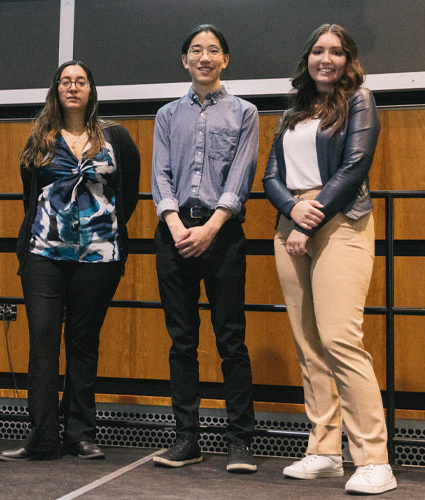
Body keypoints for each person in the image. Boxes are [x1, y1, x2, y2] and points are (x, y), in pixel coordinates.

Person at [263, 24, 397, 494]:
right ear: (308, 58)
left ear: (348, 59)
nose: (326, 59)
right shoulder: (294, 110)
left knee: (340, 338)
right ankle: (322, 450)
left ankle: (374, 460)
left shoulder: (360, 99)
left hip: (340, 220)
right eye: (318, 50)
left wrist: (307, 221)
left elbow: (354, 166)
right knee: (308, 343)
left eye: (336, 52)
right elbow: (271, 175)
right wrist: (290, 211)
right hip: (292, 221)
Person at [0, 61, 140, 461]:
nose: (73, 87)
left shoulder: (116, 137)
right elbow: (29, 193)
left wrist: (98, 230)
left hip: (99, 256)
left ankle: (80, 433)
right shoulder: (39, 139)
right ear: (55, 89)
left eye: (81, 81)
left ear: (92, 89)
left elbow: (126, 194)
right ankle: (42, 436)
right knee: (43, 342)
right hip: (44, 253)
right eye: (66, 81)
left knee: (83, 343)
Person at [151, 24, 258, 473]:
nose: (204, 57)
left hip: (223, 235)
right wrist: (176, 225)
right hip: (175, 234)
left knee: (231, 339)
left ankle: (240, 442)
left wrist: (212, 227)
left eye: (213, 50)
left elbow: (242, 174)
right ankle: (187, 439)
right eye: (196, 50)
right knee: (182, 342)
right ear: (185, 60)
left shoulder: (245, 112)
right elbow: (160, 175)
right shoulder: (166, 114)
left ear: (225, 60)